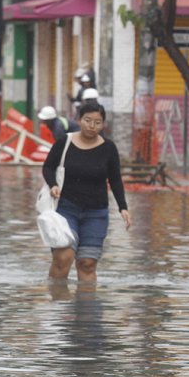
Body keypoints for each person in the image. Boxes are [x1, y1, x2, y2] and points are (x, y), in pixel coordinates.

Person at [41, 102, 131, 284]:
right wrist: (53, 185)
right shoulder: (64, 142)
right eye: (87, 120)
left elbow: (115, 179)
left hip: (96, 213)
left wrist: (123, 207)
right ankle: (58, 298)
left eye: (97, 122)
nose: (92, 126)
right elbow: (48, 167)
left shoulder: (109, 148)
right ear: (79, 120)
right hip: (66, 209)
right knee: (63, 257)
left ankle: (86, 302)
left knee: (87, 263)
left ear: (103, 124)